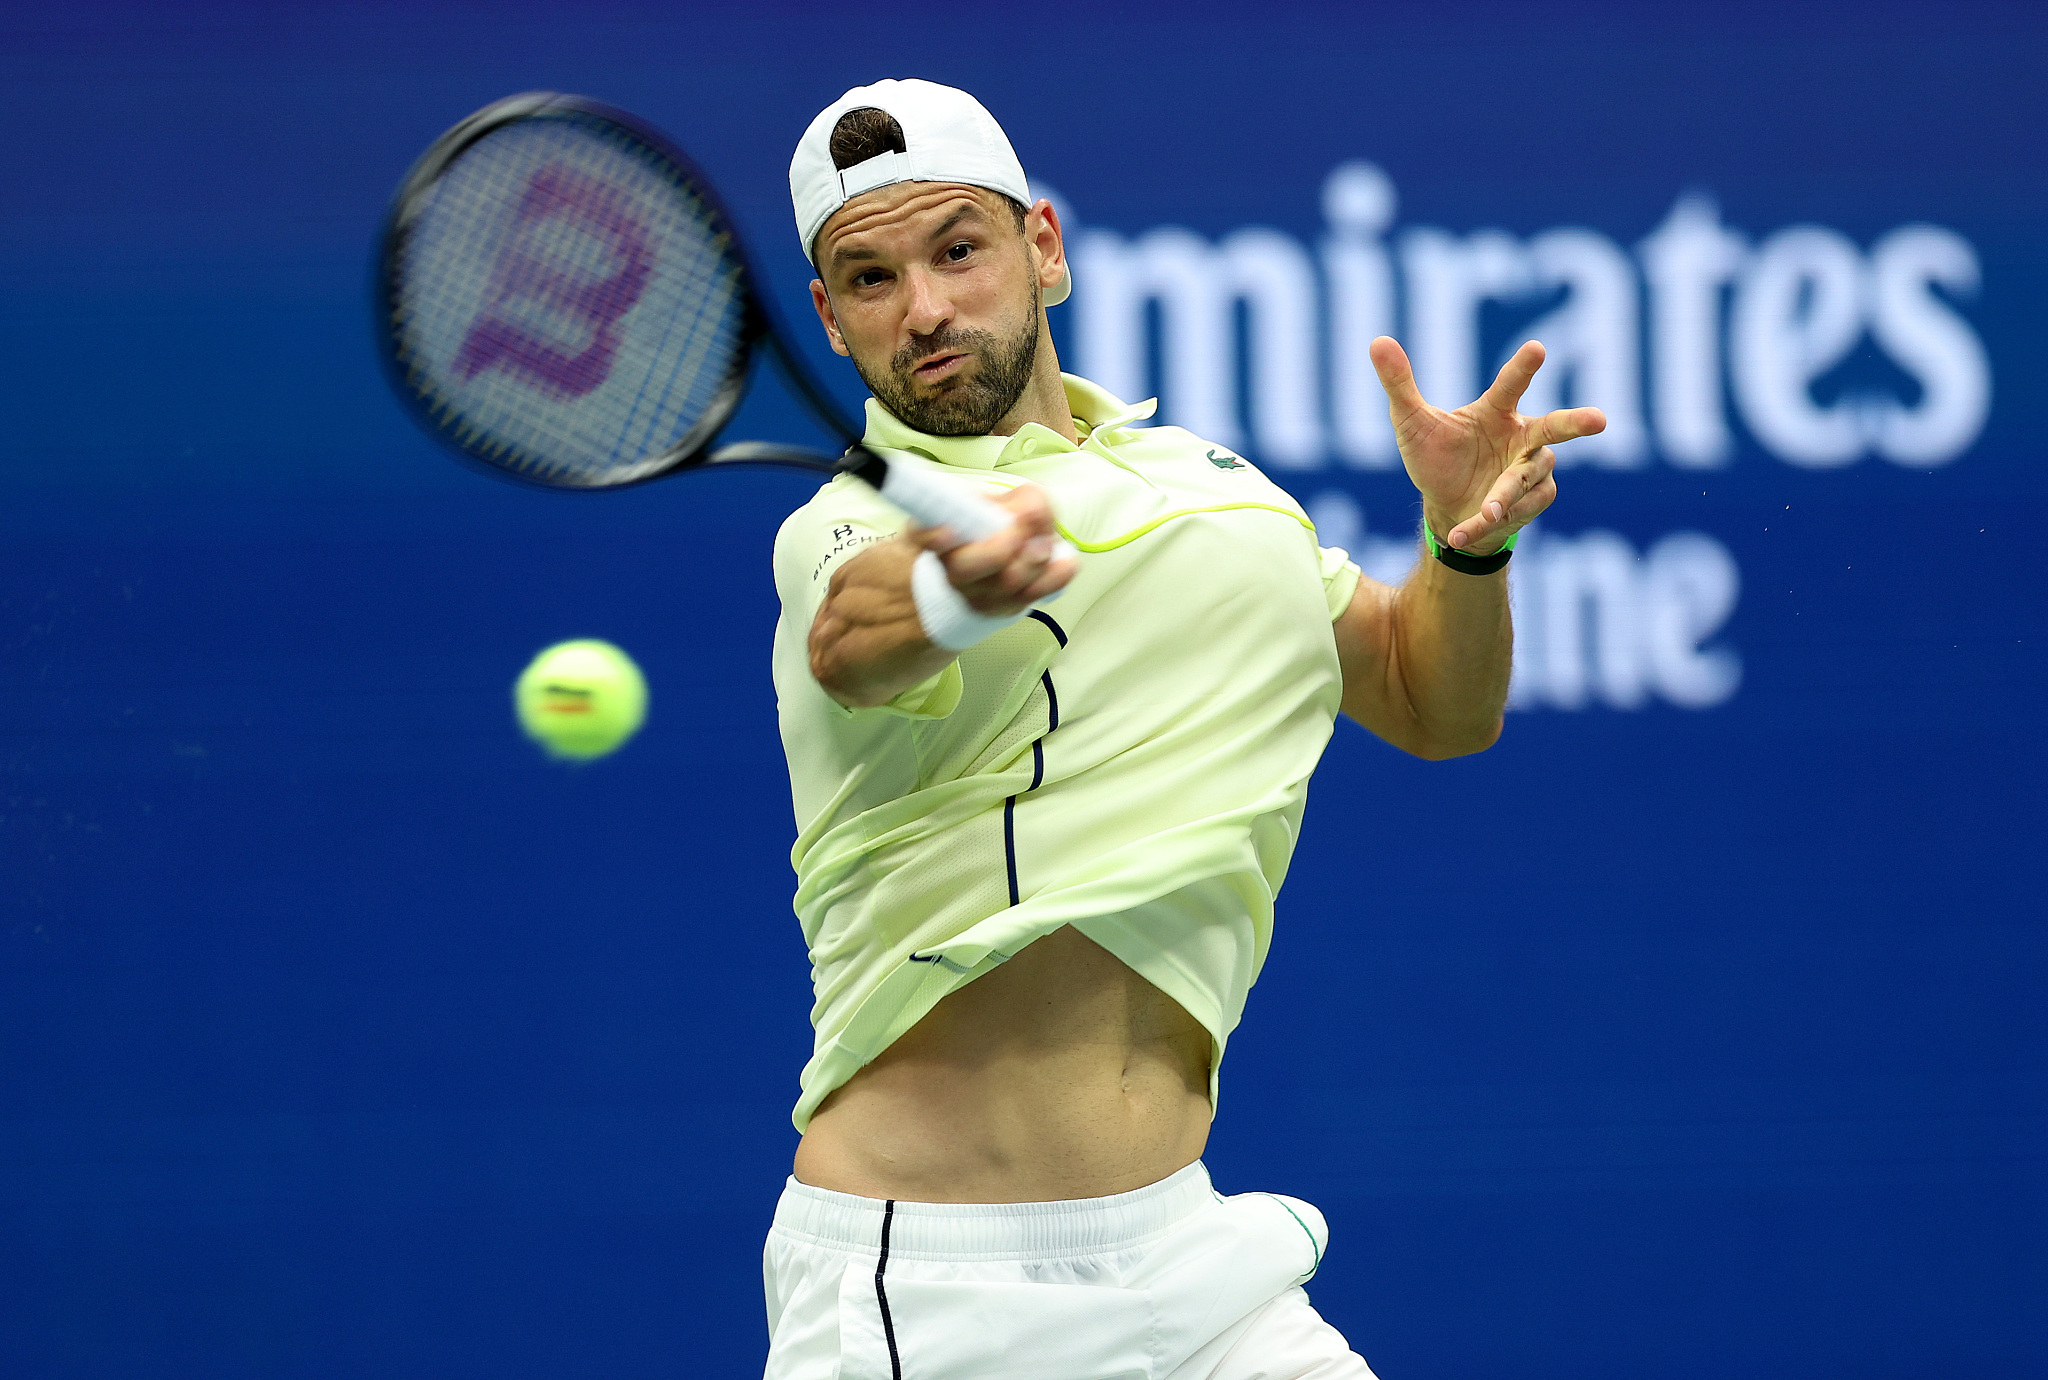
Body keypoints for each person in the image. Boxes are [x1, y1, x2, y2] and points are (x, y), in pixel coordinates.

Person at [762, 79, 1604, 1379]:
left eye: (957, 251)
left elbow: (1430, 699)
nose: (922, 309)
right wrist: (951, 584)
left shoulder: (1215, 488)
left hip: (1192, 1268)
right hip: (935, 1291)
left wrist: (1460, 544)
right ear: (828, 317)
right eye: (869, 279)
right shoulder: (847, 523)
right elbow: (855, 639)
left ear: (1044, 246)